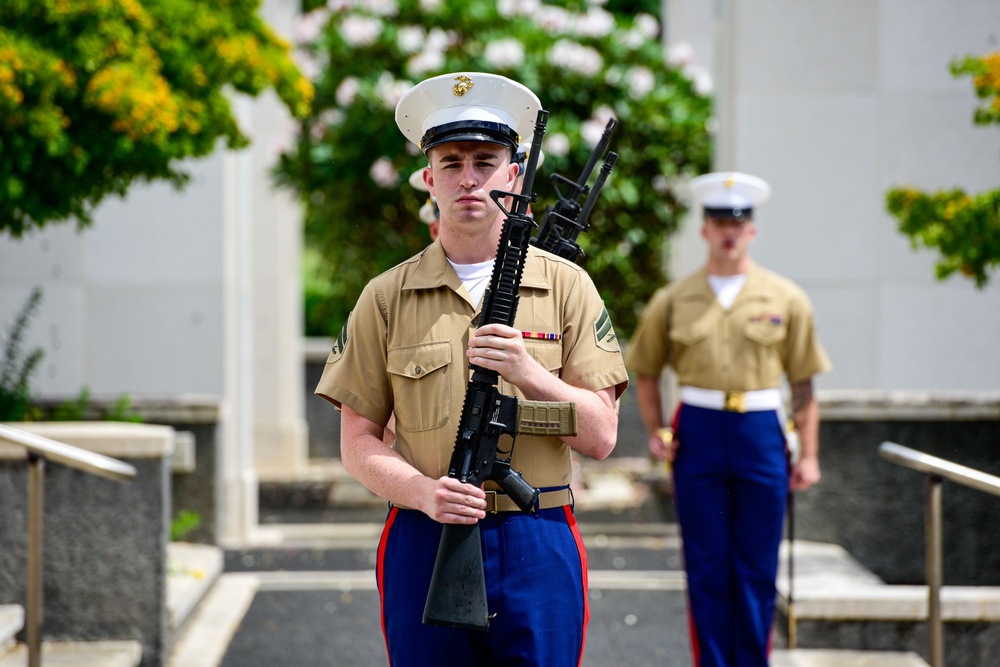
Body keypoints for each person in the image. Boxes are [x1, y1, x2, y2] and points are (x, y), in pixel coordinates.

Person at [316, 71, 628, 666]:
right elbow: (358, 443)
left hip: (535, 535)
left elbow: (603, 435)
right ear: (429, 178)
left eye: (486, 160)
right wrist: (422, 492)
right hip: (425, 531)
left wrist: (531, 373)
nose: (469, 178)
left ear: (513, 176)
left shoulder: (567, 287)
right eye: (452, 161)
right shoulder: (385, 297)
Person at [625, 172, 832, 667]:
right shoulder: (673, 299)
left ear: (753, 229)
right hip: (699, 431)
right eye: (719, 220)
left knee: (757, 568)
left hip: (761, 431)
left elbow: (803, 383)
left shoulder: (785, 297)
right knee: (707, 566)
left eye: (738, 221)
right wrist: (656, 431)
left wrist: (810, 455)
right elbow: (646, 371)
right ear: (704, 229)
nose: (729, 231)